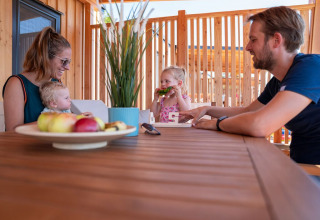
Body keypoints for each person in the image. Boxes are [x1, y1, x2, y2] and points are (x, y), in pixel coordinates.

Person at [179, 6, 320, 165]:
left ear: (276, 40)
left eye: (253, 40)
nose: (247, 47)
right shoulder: (278, 82)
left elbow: (259, 125)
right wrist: (207, 109)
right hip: (300, 169)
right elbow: (248, 111)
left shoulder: (312, 67)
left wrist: (217, 124)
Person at [2, 27, 72, 131]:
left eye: (68, 62)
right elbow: (12, 131)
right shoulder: (17, 84)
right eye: (64, 61)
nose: (67, 67)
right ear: (45, 57)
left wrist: (80, 118)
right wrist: (54, 119)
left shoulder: (56, 82)